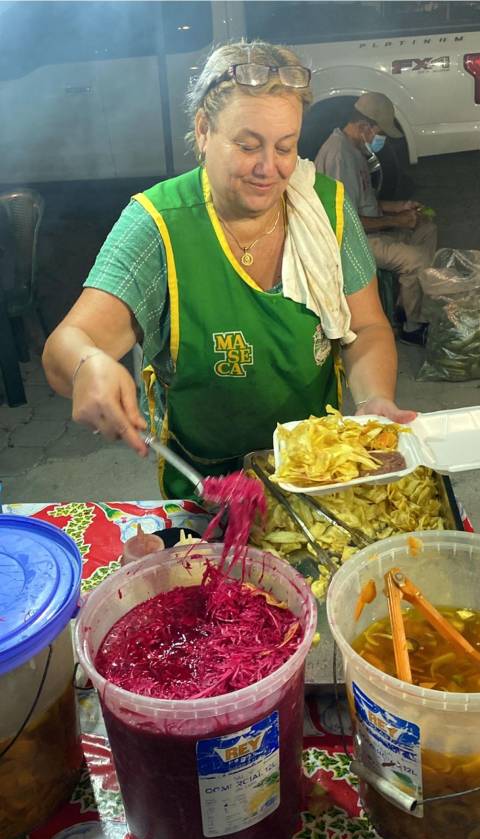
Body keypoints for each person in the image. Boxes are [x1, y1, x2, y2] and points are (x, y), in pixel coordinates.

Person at [42, 41, 416, 499]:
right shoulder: (158, 226)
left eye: (285, 147)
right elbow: (65, 347)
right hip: (207, 485)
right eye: (247, 145)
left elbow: (368, 325)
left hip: (316, 472)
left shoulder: (326, 208)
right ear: (203, 130)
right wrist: (88, 365)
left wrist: (375, 398)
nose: (269, 168)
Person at [314, 92, 437, 346]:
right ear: (364, 127)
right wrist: (397, 221)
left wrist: (400, 207)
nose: (380, 140)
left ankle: (404, 304)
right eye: (379, 133)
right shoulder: (339, 156)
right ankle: (410, 327)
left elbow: (366, 202)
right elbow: (345, 222)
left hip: (367, 229)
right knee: (417, 260)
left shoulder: (354, 148)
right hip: (350, 243)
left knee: (427, 228)